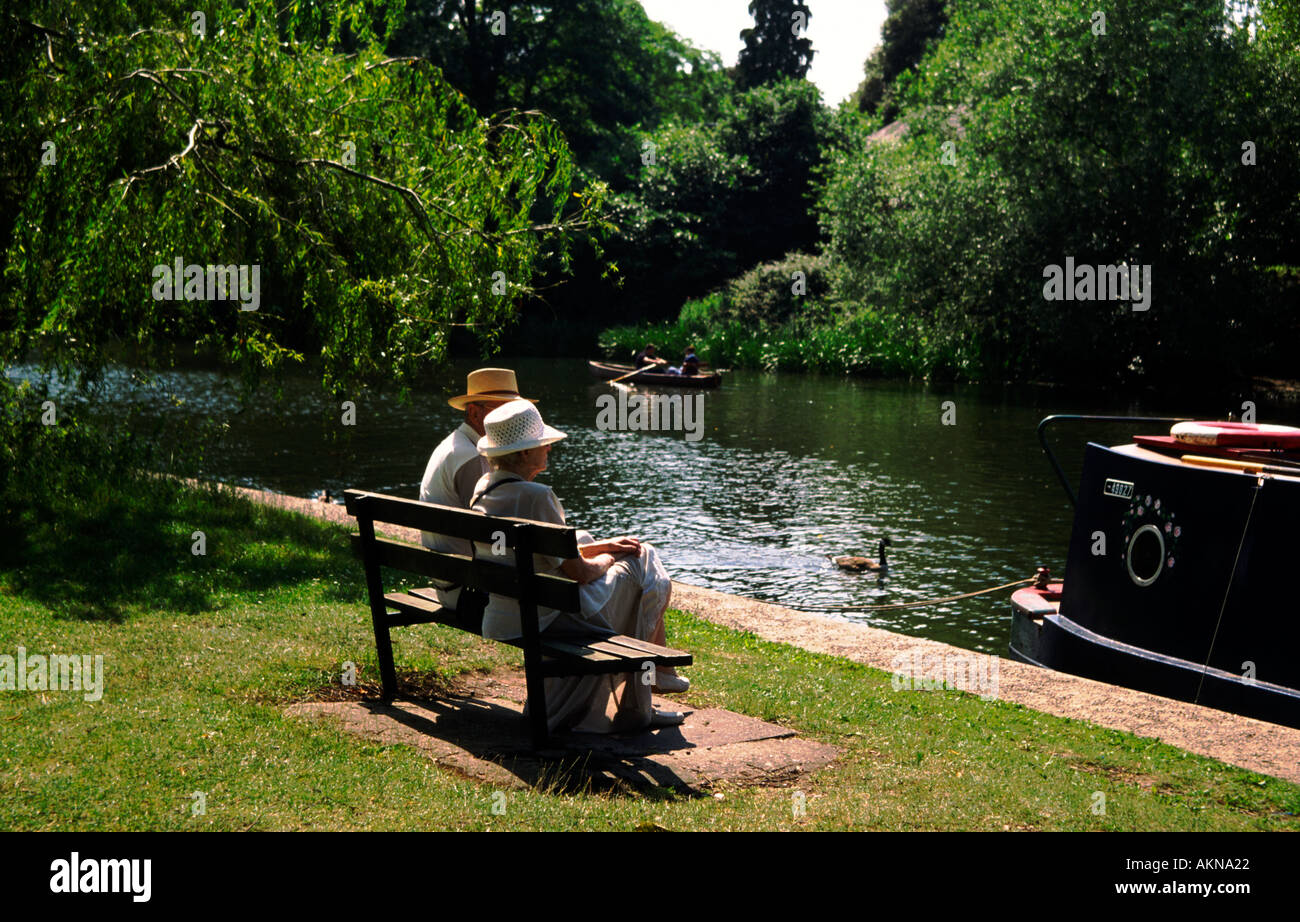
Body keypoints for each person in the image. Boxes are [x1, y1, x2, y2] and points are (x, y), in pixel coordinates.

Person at [470, 399, 690, 734]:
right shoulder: (536, 496)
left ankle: (657, 673)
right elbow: (581, 572)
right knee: (644, 559)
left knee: (629, 554)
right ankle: (650, 683)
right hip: (550, 615)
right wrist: (608, 558)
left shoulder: (484, 488)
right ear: (525, 453)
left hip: (507, 612)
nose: (549, 449)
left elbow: (540, 549)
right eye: (542, 444)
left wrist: (604, 545)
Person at [418, 368, 534, 609]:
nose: (510, 420)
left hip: (451, 579)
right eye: (501, 411)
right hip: (467, 589)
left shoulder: (456, 446)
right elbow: (494, 536)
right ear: (473, 412)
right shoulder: (470, 457)